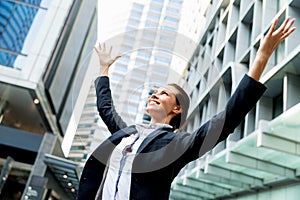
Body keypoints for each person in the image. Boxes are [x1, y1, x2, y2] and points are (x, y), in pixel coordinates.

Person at [77, 17, 296, 200]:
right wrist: (104, 68)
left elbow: (227, 120)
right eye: (154, 92)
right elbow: (105, 107)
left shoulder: (176, 145)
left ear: (177, 108)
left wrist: (262, 56)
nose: (154, 94)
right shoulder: (127, 133)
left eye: (163, 93)